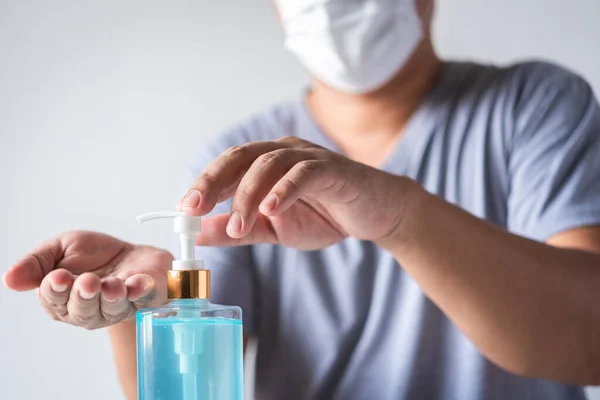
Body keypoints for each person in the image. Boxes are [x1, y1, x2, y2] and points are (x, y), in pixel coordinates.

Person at [4, 0, 600, 399]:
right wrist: (140, 309)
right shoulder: (236, 164)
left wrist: (400, 217)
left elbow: (588, 344)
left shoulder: (534, 107)